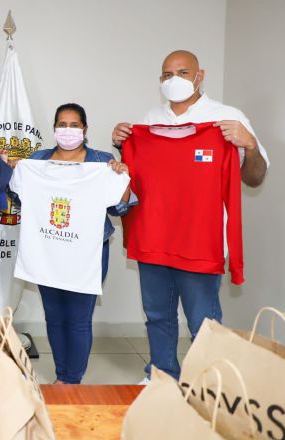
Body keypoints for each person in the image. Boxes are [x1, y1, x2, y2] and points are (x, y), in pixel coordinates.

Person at [110, 50, 271, 381]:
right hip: (153, 236)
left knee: (204, 322)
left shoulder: (226, 117)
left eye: (182, 72)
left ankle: (207, 385)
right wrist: (121, 145)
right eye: (167, 74)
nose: (174, 80)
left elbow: (255, 177)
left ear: (200, 76)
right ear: (160, 80)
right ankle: (161, 375)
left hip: (201, 242)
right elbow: (137, 175)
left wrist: (250, 144)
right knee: (157, 315)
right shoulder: (150, 120)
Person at [24, 103, 132, 384]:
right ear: (54, 128)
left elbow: (120, 208)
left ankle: (72, 380)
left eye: (74, 125)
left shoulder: (101, 161)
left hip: (88, 253)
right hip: (48, 249)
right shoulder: (37, 160)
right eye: (62, 124)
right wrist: (10, 166)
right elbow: (21, 198)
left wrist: (122, 179)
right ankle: (62, 375)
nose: (67, 130)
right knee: (54, 316)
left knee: (78, 318)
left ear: (85, 129)